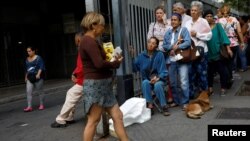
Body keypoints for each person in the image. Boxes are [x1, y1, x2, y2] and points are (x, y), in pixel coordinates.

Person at [79, 12, 129, 141]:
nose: (103, 28)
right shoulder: (88, 41)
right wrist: (115, 63)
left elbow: (99, 62)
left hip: (102, 85)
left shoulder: (90, 41)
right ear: (93, 25)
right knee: (93, 121)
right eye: (102, 25)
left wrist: (113, 61)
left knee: (117, 116)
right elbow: (99, 64)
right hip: (96, 85)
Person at [51, 32, 84, 128]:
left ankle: (61, 119)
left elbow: (81, 67)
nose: (75, 41)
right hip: (85, 79)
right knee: (71, 94)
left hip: (85, 80)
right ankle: (69, 117)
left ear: (78, 40)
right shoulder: (84, 48)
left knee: (71, 94)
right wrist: (75, 73)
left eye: (75, 39)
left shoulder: (82, 49)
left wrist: (75, 74)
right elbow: (80, 66)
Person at [132, 37, 170, 116]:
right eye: (149, 42)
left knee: (158, 85)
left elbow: (164, 71)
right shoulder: (141, 55)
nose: (150, 45)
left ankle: (164, 106)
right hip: (148, 80)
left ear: (156, 46)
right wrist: (132, 57)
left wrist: (158, 78)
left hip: (159, 79)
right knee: (145, 82)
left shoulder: (159, 55)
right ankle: (150, 105)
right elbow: (135, 68)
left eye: (153, 43)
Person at [162, 13, 191, 110]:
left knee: (183, 81)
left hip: (182, 59)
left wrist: (178, 46)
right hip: (171, 60)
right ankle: (177, 101)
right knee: (173, 82)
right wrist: (171, 48)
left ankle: (185, 102)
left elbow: (188, 42)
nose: (173, 21)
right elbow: (164, 45)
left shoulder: (184, 30)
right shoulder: (168, 33)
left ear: (180, 22)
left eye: (175, 20)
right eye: (172, 20)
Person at [184, 1, 212, 99]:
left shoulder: (203, 22)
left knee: (202, 74)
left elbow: (209, 36)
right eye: (192, 10)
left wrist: (198, 35)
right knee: (191, 74)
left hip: (201, 51)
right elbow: (184, 36)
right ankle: (192, 96)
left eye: (195, 10)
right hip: (190, 52)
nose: (193, 12)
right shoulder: (187, 23)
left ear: (199, 11)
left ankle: (204, 96)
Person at [147, 5, 173, 105]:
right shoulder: (152, 25)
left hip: (166, 52)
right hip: (156, 53)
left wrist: (166, 23)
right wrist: (160, 39)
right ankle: (158, 96)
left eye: (160, 13)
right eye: (157, 13)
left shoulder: (168, 24)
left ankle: (170, 96)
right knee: (156, 74)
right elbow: (149, 38)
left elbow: (171, 36)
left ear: (164, 14)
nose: (158, 15)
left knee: (168, 75)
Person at [204, 9, 232, 96]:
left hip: (218, 52)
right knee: (209, 72)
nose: (209, 18)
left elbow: (224, 37)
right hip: (208, 53)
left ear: (213, 17)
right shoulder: (203, 27)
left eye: (210, 16)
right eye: (207, 16)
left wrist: (228, 49)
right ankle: (210, 88)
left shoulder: (218, 25)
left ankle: (223, 88)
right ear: (204, 18)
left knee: (222, 71)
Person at [219, 4, 245, 79]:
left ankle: (228, 78)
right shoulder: (234, 19)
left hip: (224, 44)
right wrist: (242, 42)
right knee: (230, 62)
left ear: (222, 11)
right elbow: (239, 31)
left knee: (225, 63)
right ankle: (230, 77)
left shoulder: (219, 21)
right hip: (234, 44)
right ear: (229, 10)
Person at [24, 46, 46, 112]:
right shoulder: (27, 59)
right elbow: (27, 69)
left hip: (37, 76)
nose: (28, 52)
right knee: (28, 92)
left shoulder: (38, 58)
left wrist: (38, 74)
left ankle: (41, 104)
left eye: (30, 51)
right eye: (27, 51)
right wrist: (25, 77)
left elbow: (41, 66)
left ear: (33, 51)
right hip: (30, 77)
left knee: (40, 91)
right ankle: (29, 106)